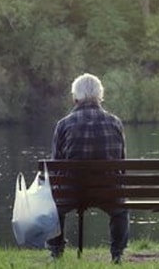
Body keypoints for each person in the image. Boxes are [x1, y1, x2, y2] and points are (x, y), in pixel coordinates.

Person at [46, 73, 129, 264]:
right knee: (120, 210)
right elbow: (121, 163)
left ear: (75, 97)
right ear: (100, 96)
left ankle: (56, 251)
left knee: (53, 205)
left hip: (71, 192)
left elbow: (55, 166)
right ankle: (117, 254)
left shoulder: (63, 124)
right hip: (108, 192)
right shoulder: (115, 122)